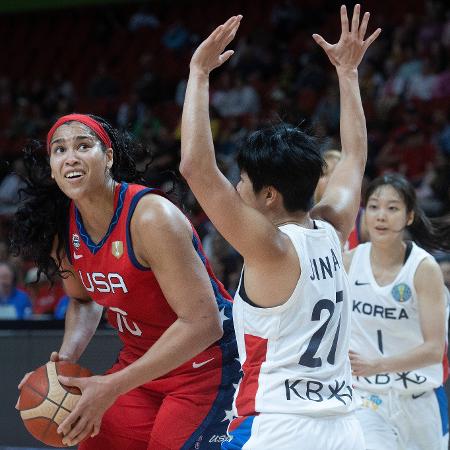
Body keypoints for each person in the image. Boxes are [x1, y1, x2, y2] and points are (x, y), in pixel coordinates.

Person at [180, 6, 380, 450]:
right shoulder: (332, 226)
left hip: (280, 427)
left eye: (244, 181)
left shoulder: (269, 246)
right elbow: (354, 158)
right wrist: (347, 75)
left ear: (269, 195)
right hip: (346, 426)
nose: (235, 187)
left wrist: (198, 72)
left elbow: (195, 167)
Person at [12, 113, 239, 449]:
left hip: (206, 367)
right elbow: (82, 300)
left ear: (108, 157)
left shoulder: (151, 217)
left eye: (83, 146)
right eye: (59, 150)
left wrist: (113, 385)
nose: (70, 156)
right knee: (95, 440)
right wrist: (63, 365)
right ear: (51, 166)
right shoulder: (64, 226)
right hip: (142, 369)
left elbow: (204, 324)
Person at [345, 173, 450, 450]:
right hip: (366, 399)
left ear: (410, 217)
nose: (381, 215)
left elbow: (434, 349)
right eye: (374, 206)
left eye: (392, 208)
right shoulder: (348, 263)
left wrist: (376, 365)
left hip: (418, 398)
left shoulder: (424, 268)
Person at [314, 148, 369, 249]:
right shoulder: (307, 220)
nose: (330, 179)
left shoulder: (364, 218)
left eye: (336, 173)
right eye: (324, 174)